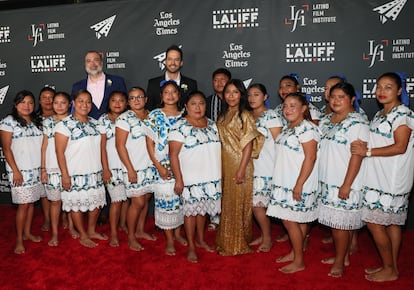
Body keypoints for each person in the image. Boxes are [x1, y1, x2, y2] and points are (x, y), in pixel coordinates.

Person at [351, 72, 414, 282]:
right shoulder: (380, 115)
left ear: (399, 91)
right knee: (392, 224)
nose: (381, 91)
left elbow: (400, 146)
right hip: (378, 175)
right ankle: (392, 267)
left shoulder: (403, 114)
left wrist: (367, 152)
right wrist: (367, 148)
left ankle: (389, 268)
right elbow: (380, 143)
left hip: (392, 178)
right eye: (379, 87)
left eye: (388, 87)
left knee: (375, 223)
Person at [318, 82, 370, 277]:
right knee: (339, 224)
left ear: (352, 99)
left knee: (340, 225)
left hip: (345, 180)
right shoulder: (326, 120)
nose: (336, 100)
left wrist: (347, 184)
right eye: (333, 97)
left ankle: (340, 261)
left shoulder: (358, 123)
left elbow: (357, 155)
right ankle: (344, 256)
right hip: (327, 180)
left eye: (341, 97)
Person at [267, 92, 320, 273]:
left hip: (298, 182)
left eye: (292, 105)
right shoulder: (289, 127)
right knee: (298, 220)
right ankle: (295, 253)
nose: (287, 109)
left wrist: (299, 184)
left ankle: (299, 261)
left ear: (304, 108)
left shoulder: (307, 128)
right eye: (285, 106)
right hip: (285, 180)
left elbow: (311, 157)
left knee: (290, 221)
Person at [169, 91, 222, 262]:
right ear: (186, 106)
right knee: (191, 213)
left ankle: (200, 240)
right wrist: (179, 179)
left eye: (201, 103)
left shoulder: (213, 125)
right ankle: (191, 246)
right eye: (193, 104)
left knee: (203, 211)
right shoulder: (179, 127)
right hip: (190, 179)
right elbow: (173, 155)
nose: (198, 107)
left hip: (211, 177)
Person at [215, 79, 264, 256]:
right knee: (228, 203)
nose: (231, 96)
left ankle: (236, 244)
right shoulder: (224, 114)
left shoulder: (245, 115)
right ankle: (227, 238)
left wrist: (242, 169)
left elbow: (249, 145)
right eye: (228, 92)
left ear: (241, 94)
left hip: (240, 163)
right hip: (225, 163)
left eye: (235, 92)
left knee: (237, 203)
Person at [55, 89, 107, 248]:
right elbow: (59, 152)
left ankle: (91, 230)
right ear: (73, 103)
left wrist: (105, 169)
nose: (84, 105)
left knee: (97, 203)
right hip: (74, 173)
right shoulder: (64, 126)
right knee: (76, 204)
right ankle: (83, 235)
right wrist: (65, 175)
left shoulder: (97, 124)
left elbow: (102, 149)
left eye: (88, 101)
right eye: (81, 101)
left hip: (95, 172)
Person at [145, 80, 187, 255]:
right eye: (166, 92)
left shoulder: (185, 114)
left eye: (174, 92)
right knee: (167, 203)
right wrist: (158, 166)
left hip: (184, 163)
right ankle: (169, 239)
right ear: (161, 96)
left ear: (179, 94)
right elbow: (149, 143)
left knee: (181, 201)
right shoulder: (154, 115)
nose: (170, 95)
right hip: (162, 165)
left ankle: (177, 233)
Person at [0, 90, 44, 254]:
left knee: (31, 203)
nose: (27, 106)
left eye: (30, 102)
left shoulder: (36, 122)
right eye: (23, 102)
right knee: (23, 205)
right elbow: (6, 149)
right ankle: (19, 239)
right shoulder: (8, 122)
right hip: (19, 171)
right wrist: (16, 171)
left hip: (35, 170)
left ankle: (27, 233)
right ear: (16, 104)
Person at [116, 87, 157, 251]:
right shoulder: (124, 119)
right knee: (137, 202)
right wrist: (130, 169)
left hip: (151, 166)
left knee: (146, 199)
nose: (136, 100)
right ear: (128, 101)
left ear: (146, 99)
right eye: (132, 98)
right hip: (133, 167)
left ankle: (140, 230)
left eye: (140, 97)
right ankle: (131, 236)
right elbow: (120, 146)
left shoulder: (153, 116)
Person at [247, 83, 282, 252]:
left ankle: (267, 238)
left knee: (259, 205)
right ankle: (264, 234)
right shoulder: (247, 116)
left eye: (256, 94)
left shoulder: (271, 116)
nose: (252, 98)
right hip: (251, 167)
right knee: (258, 205)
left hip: (267, 167)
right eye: (250, 95)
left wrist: (280, 168)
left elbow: (279, 143)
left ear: (265, 97)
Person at [41, 91, 79, 246]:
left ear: (70, 104)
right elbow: (44, 146)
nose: (59, 106)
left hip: (71, 167)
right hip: (52, 168)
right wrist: (43, 169)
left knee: (70, 201)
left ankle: (71, 227)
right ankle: (55, 233)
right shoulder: (47, 122)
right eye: (56, 102)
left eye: (63, 102)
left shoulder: (74, 121)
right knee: (55, 202)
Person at [99, 91, 128, 247]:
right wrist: (105, 168)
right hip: (111, 167)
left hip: (127, 165)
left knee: (126, 200)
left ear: (126, 103)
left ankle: (123, 225)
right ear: (108, 102)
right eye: (114, 100)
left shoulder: (130, 118)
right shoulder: (103, 120)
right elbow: (102, 147)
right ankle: (114, 234)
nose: (117, 103)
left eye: (121, 100)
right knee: (116, 201)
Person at [205, 68, 231, 231]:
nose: (219, 83)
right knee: (214, 182)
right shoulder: (206, 101)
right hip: (210, 150)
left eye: (223, 79)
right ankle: (214, 216)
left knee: (230, 183)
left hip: (232, 151)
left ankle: (230, 216)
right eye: (216, 80)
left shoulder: (236, 101)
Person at [71, 50, 127, 119]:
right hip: (87, 127)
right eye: (89, 61)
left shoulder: (117, 81)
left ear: (101, 63)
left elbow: (124, 105)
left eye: (96, 60)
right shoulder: (77, 86)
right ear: (85, 64)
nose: (92, 64)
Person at [146, 45, 197, 110]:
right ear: (165, 62)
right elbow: (149, 109)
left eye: (176, 60)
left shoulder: (191, 84)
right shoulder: (153, 83)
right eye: (170, 59)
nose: (173, 63)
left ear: (181, 63)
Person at [37, 86, 56, 232]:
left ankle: (62, 218)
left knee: (60, 192)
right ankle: (48, 220)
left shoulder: (64, 116)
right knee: (45, 193)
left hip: (56, 159)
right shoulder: (33, 118)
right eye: (45, 97)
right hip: (37, 159)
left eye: (51, 97)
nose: (48, 100)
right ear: (39, 100)